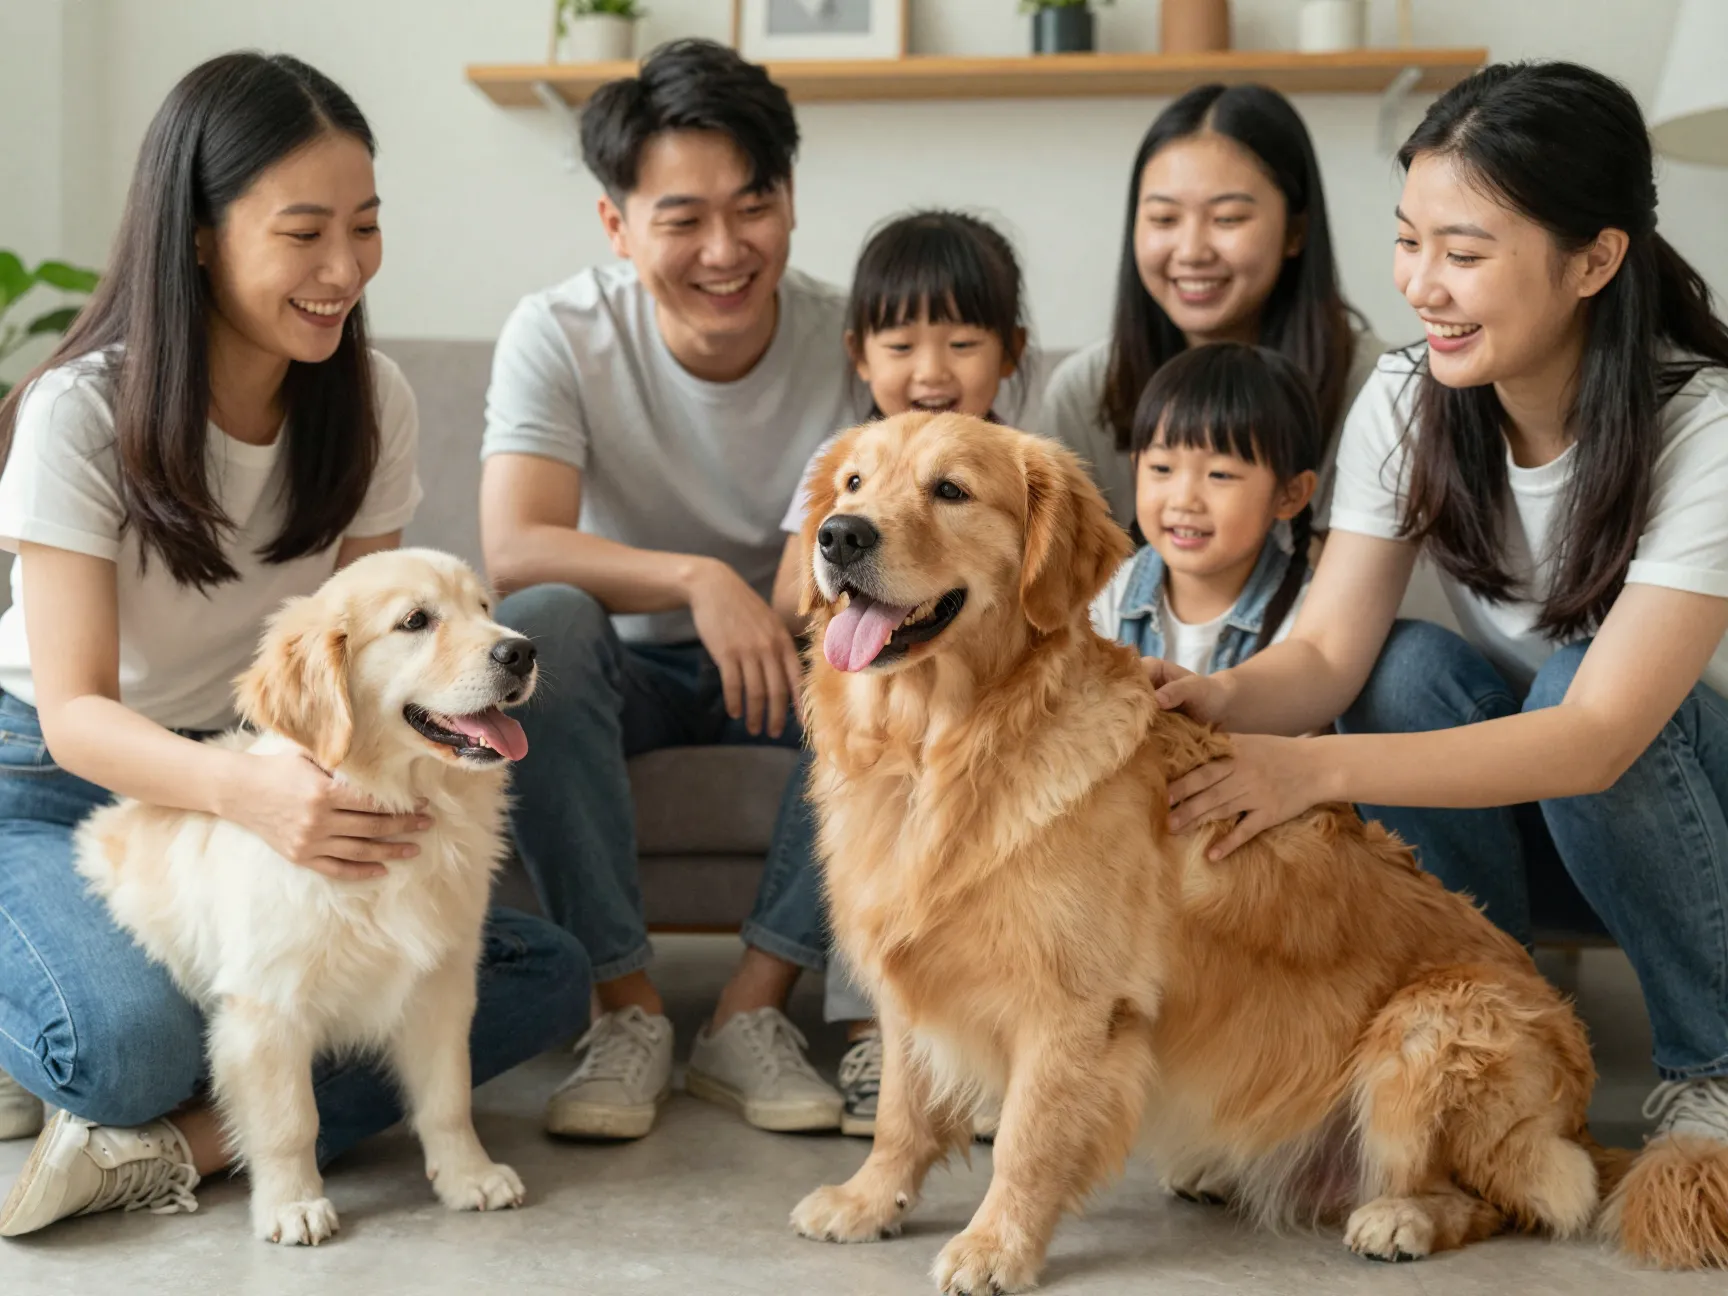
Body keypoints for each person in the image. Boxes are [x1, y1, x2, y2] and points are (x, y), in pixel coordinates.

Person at [0, 53, 589, 1239]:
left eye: (364, 229)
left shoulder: (368, 400)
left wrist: (336, 788)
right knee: (122, 1042)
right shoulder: (81, 414)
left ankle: (174, 1144)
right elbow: (72, 710)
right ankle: (64, 1020)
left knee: (532, 975)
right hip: (58, 784)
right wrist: (253, 796)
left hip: (265, 770)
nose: (344, 271)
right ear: (203, 236)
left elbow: (383, 647)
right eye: (304, 232)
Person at [1153, 62, 1728, 1267]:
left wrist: (1307, 773)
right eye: (1409, 242)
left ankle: (1710, 1067)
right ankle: (1490, 1051)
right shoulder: (1412, 396)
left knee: (1570, 688)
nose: (1421, 285)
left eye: (1463, 252)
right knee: (1406, 669)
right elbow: (1323, 652)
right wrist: (1215, 697)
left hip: (1686, 820)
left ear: (1593, 261)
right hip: (1559, 814)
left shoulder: (1705, 427)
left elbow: (1601, 736)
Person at [482, 39, 867, 1140]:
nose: (724, 249)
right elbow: (514, 546)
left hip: (799, 658)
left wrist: (786, 614)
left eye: (754, 207)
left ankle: (749, 1016)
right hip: (625, 666)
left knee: (887, 661)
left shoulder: (852, 340)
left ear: (790, 201)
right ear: (617, 225)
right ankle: (627, 1012)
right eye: (682, 217)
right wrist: (699, 579)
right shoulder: (560, 332)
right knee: (537, 627)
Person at [770, 208, 1037, 1138]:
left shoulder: (1018, 469)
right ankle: (875, 1039)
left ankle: (998, 1052)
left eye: (962, 341)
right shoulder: (846, 460)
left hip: (991, 710)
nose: (931, 369)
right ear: (860, 354)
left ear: (1010, 354)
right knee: (865, 803)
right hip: (881, 704)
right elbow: (803, 578)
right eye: (902, 343)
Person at [1041, 82, 1383, 531]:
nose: (1191, 250)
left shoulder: (1375, 391)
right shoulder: (1084, 394)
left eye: (1228, 219)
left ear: (1296, 232)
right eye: (1164, 218)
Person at [1088, 342, 1320, 675]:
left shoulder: (1310, 619)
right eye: (1162, 469)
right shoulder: (1105, 595)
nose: (1184, 499)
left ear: (1289, 494)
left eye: (1220, 474)